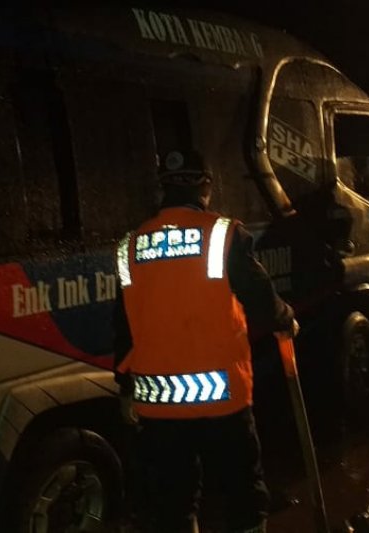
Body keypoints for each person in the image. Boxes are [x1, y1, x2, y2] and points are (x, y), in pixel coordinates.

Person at [112, 150, 296, 533]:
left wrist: (125, 385)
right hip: (221, 396)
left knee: (174, 500)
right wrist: (286, 319)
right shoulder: (224, 233)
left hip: (157, 402)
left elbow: (123, 324)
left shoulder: (129, 246)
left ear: (164, 188)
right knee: (242, 492)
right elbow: (261, 299)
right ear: (206, 187)